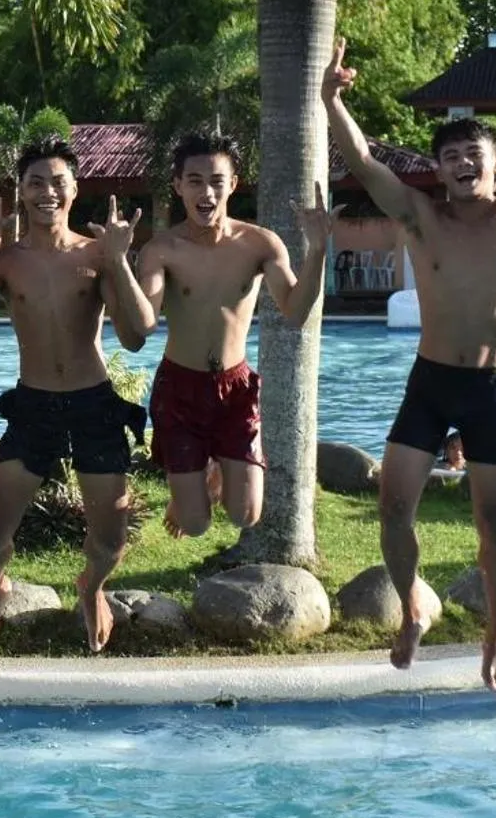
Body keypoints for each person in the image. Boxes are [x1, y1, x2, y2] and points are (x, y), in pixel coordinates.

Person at [323, 23, 496, 691]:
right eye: (451, 154)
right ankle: (413, 601)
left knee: (494, 518)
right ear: (439, 167)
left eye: (474, 153)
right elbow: (364, 163)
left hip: (486, 388)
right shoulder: (421, 217)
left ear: (495, 164)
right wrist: (333, 100)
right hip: (429, 383)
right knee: (393, 508)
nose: (463, 162)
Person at [0, 138, 147, 656]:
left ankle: (92, 586)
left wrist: (119, 261)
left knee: (110, 542)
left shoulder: (97, 255)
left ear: (75, 189)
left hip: (93, 405)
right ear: (20, 191)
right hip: (33, 407)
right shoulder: (4, 261)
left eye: (57, 182)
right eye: (35, 183)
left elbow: (137, 334)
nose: (46, 193)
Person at [111, 132, 335, 537]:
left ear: (233, 184)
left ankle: (213, 468)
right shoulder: (163, 250)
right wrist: (118, 262)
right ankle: (192, 491)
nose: (207, 191)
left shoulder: (259, 244)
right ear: (178, 186)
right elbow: (145, 323)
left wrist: (317, 250)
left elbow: (296, 311)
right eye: (195, 180)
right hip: (180, 388)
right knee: (195, 524)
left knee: (246, 515)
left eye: (217, 180)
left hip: (236, 388)